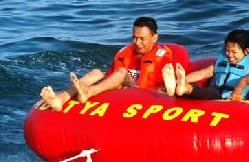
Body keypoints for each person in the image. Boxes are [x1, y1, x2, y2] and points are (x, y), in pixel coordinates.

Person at [40, 16, 173, 111]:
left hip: (142, 93)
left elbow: (165, 88)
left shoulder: (163, 57)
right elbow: (110, 78)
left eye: (142, 39)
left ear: (154, 38)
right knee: (96, 73)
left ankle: (87, 92)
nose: (137, 43)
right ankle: (61, 99)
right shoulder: (127, 52)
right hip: (121, 90)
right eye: (134, 37)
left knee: (121, 73)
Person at [162, 29, 249, 101]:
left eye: (234, 52)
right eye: (227, 51)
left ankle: (184, 87)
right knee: (204, 92)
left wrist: (238, 88)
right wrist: (181, 79)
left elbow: (248, 79)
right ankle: (178, 85)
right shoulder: (223, 61)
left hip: (232, 96)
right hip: (215, 91)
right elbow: (203, 74)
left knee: (205, 93)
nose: (230, 55)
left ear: (246, 51)